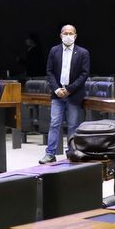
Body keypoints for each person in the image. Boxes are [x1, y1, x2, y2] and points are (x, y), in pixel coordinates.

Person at [40, 24, 90, 164]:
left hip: (73, 94)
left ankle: (71, 152)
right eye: (65, 33)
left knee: (73, 125)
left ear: (75, 36)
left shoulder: (83, 52)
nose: (68, 36)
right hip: (57, 94)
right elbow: (49, 71)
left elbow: (84, 74)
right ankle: (50, 154)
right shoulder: (54, 51)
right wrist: (57, 89)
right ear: (61, 35)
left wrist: (69, 89)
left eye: (71, 33)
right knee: (54, 124)